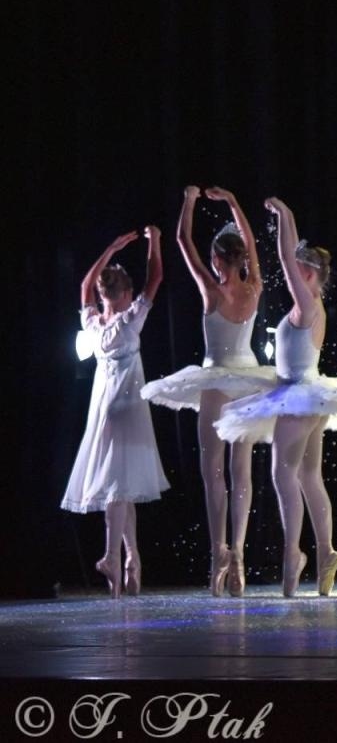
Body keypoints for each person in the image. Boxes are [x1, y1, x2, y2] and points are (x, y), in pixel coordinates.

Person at [215, 198, 337, 596]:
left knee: (281, 473)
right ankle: (325, 551)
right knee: (307, 474)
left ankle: (293, 555)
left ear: (307, 273)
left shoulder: (306, 303)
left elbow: (284, 259)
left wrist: (286, 214)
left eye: (296, 269)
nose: (290, 274)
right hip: (308, 394)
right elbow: (286, 261)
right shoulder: (311, 306)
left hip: (299, 396)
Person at [142, 186, 273, 597]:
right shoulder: (254, 289)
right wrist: (235, 201)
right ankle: (239, 556)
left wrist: (189, 199)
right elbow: (251, 244)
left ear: (217, 259)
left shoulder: (212, 291)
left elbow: (182, 240)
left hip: (217, 380)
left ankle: (219, 553)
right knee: (242, 472)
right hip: (249, 378)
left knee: (212, 472)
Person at [63, 227, 170, 597]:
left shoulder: (93, 325)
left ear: (103, 295)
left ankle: (126, 559)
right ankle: (119, 558)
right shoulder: (129, 321)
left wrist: (109, 247)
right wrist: (155, 239)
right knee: (116, 486)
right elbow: (156, 277)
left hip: (106, 408)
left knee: (118, 486)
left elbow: (84, 285)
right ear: (124, 294)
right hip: (125, 409)